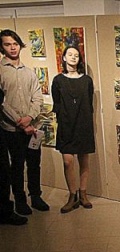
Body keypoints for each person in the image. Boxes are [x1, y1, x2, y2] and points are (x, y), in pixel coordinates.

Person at [0, 29, 48, 216]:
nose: (12, 48)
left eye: (15, 44)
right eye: (7, 44)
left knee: (34, 164)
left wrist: (29, 118)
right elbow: (2, 103)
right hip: (11, 130)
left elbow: (38, 97)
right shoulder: (1, 72)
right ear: (2, 47)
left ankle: (35, 196)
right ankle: (20, 200)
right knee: (17, 166)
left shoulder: (29, 72)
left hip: (33, 128)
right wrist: (20, 122)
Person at [51, 46, 95, 213]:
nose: (73, 57)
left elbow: (89, 104)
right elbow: (57, 104)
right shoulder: (58, 80)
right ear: (63, 58)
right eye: (70, 54)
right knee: (68, 161)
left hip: (83, 124)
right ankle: (72, 195)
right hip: (66, 125)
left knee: (84, 161)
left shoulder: (87, 80)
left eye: (76, 55)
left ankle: (83, 194)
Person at [0, 86, 27, 225]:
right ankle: (5, 211)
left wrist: (28, 118)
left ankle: (5, 211)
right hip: (7, 128)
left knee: (4, 171)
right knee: (4, 171)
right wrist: (20, 121)